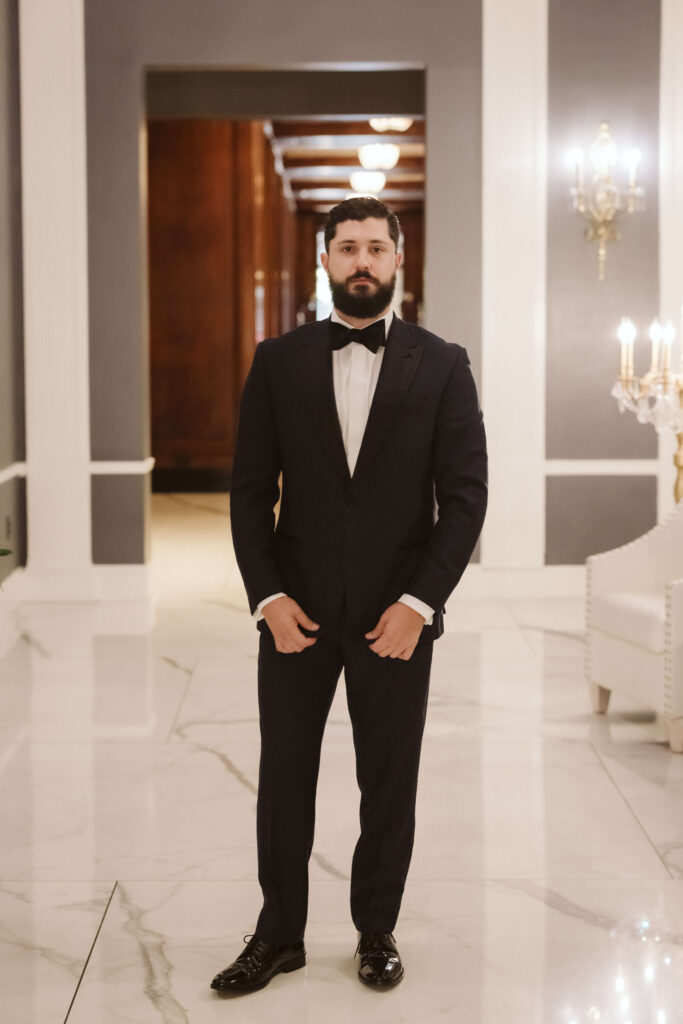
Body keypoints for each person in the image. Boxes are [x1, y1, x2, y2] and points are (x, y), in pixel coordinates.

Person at [211, 196, 487, 995]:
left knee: (388, 780)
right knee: (284, 777)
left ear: (399, 262)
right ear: (325, 262)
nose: (362, 261)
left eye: (377, 248)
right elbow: (247, 491)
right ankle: (277, 935)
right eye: (348, 249)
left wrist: (418, 605)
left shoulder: (442, 364)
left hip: (394, 617)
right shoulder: (277, 360)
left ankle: (375, 930)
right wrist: (266, 597)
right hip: (294, 612)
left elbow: (464, 496)